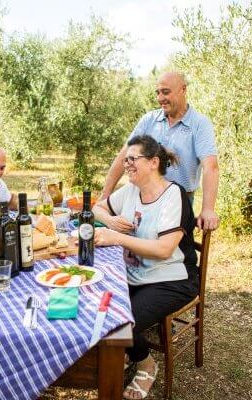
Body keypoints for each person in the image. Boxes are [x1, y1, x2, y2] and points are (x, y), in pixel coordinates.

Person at [93, 135, 198, 400]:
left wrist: (116, 237)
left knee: (119, 322)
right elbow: (97, 208)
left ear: (153, 162)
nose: (125, 164)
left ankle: (145, 362)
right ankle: (124, 352)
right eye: (125, 159)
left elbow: (164, 250)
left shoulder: (174, 195)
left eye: (132, 159)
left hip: (173, 279)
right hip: (136, 273)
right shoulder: (131, 190)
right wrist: (111, 221)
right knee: (97, 306)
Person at [101, 70, 220, 231]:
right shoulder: (149, 119)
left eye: (166, 92)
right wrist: (105, 196)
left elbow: (211, 166)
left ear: (183, 90)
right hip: (142, 199)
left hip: (178, 202)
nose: (160, 98)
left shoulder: (199, 124)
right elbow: (124, 155)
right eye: (158, 92)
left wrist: (207, 209)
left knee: (160, 251)